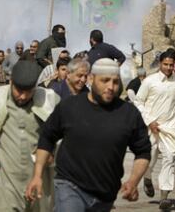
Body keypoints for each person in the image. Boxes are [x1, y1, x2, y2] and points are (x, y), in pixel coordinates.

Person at [26, 58, 151, 211]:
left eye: (115, 82)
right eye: (104, 80)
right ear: (91, 79)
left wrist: (133, 181)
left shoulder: (129, 114)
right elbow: (47, 137)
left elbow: (143, 151)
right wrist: (37, 175)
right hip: (70, 185)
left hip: (105, 194)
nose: (111, 87)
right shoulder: (69, 107)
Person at [0, 61, 59, 212]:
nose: (23, 96)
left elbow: (67, 132)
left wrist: (54, 152)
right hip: (2, 178)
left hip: (38, 178)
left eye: (29, 91)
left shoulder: (49, 99)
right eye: (19, 90)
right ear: (11, 82)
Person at [134, 49, 175, 210]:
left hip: (171, 127)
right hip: (152, 127)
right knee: (149, 160)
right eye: (165, 64)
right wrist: (150, 121)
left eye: (171, 65)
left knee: (169, 159)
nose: (168, 68)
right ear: (160, 64)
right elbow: (138, 102)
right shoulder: (150, 81)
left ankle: (164, 197)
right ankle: (147, 178)